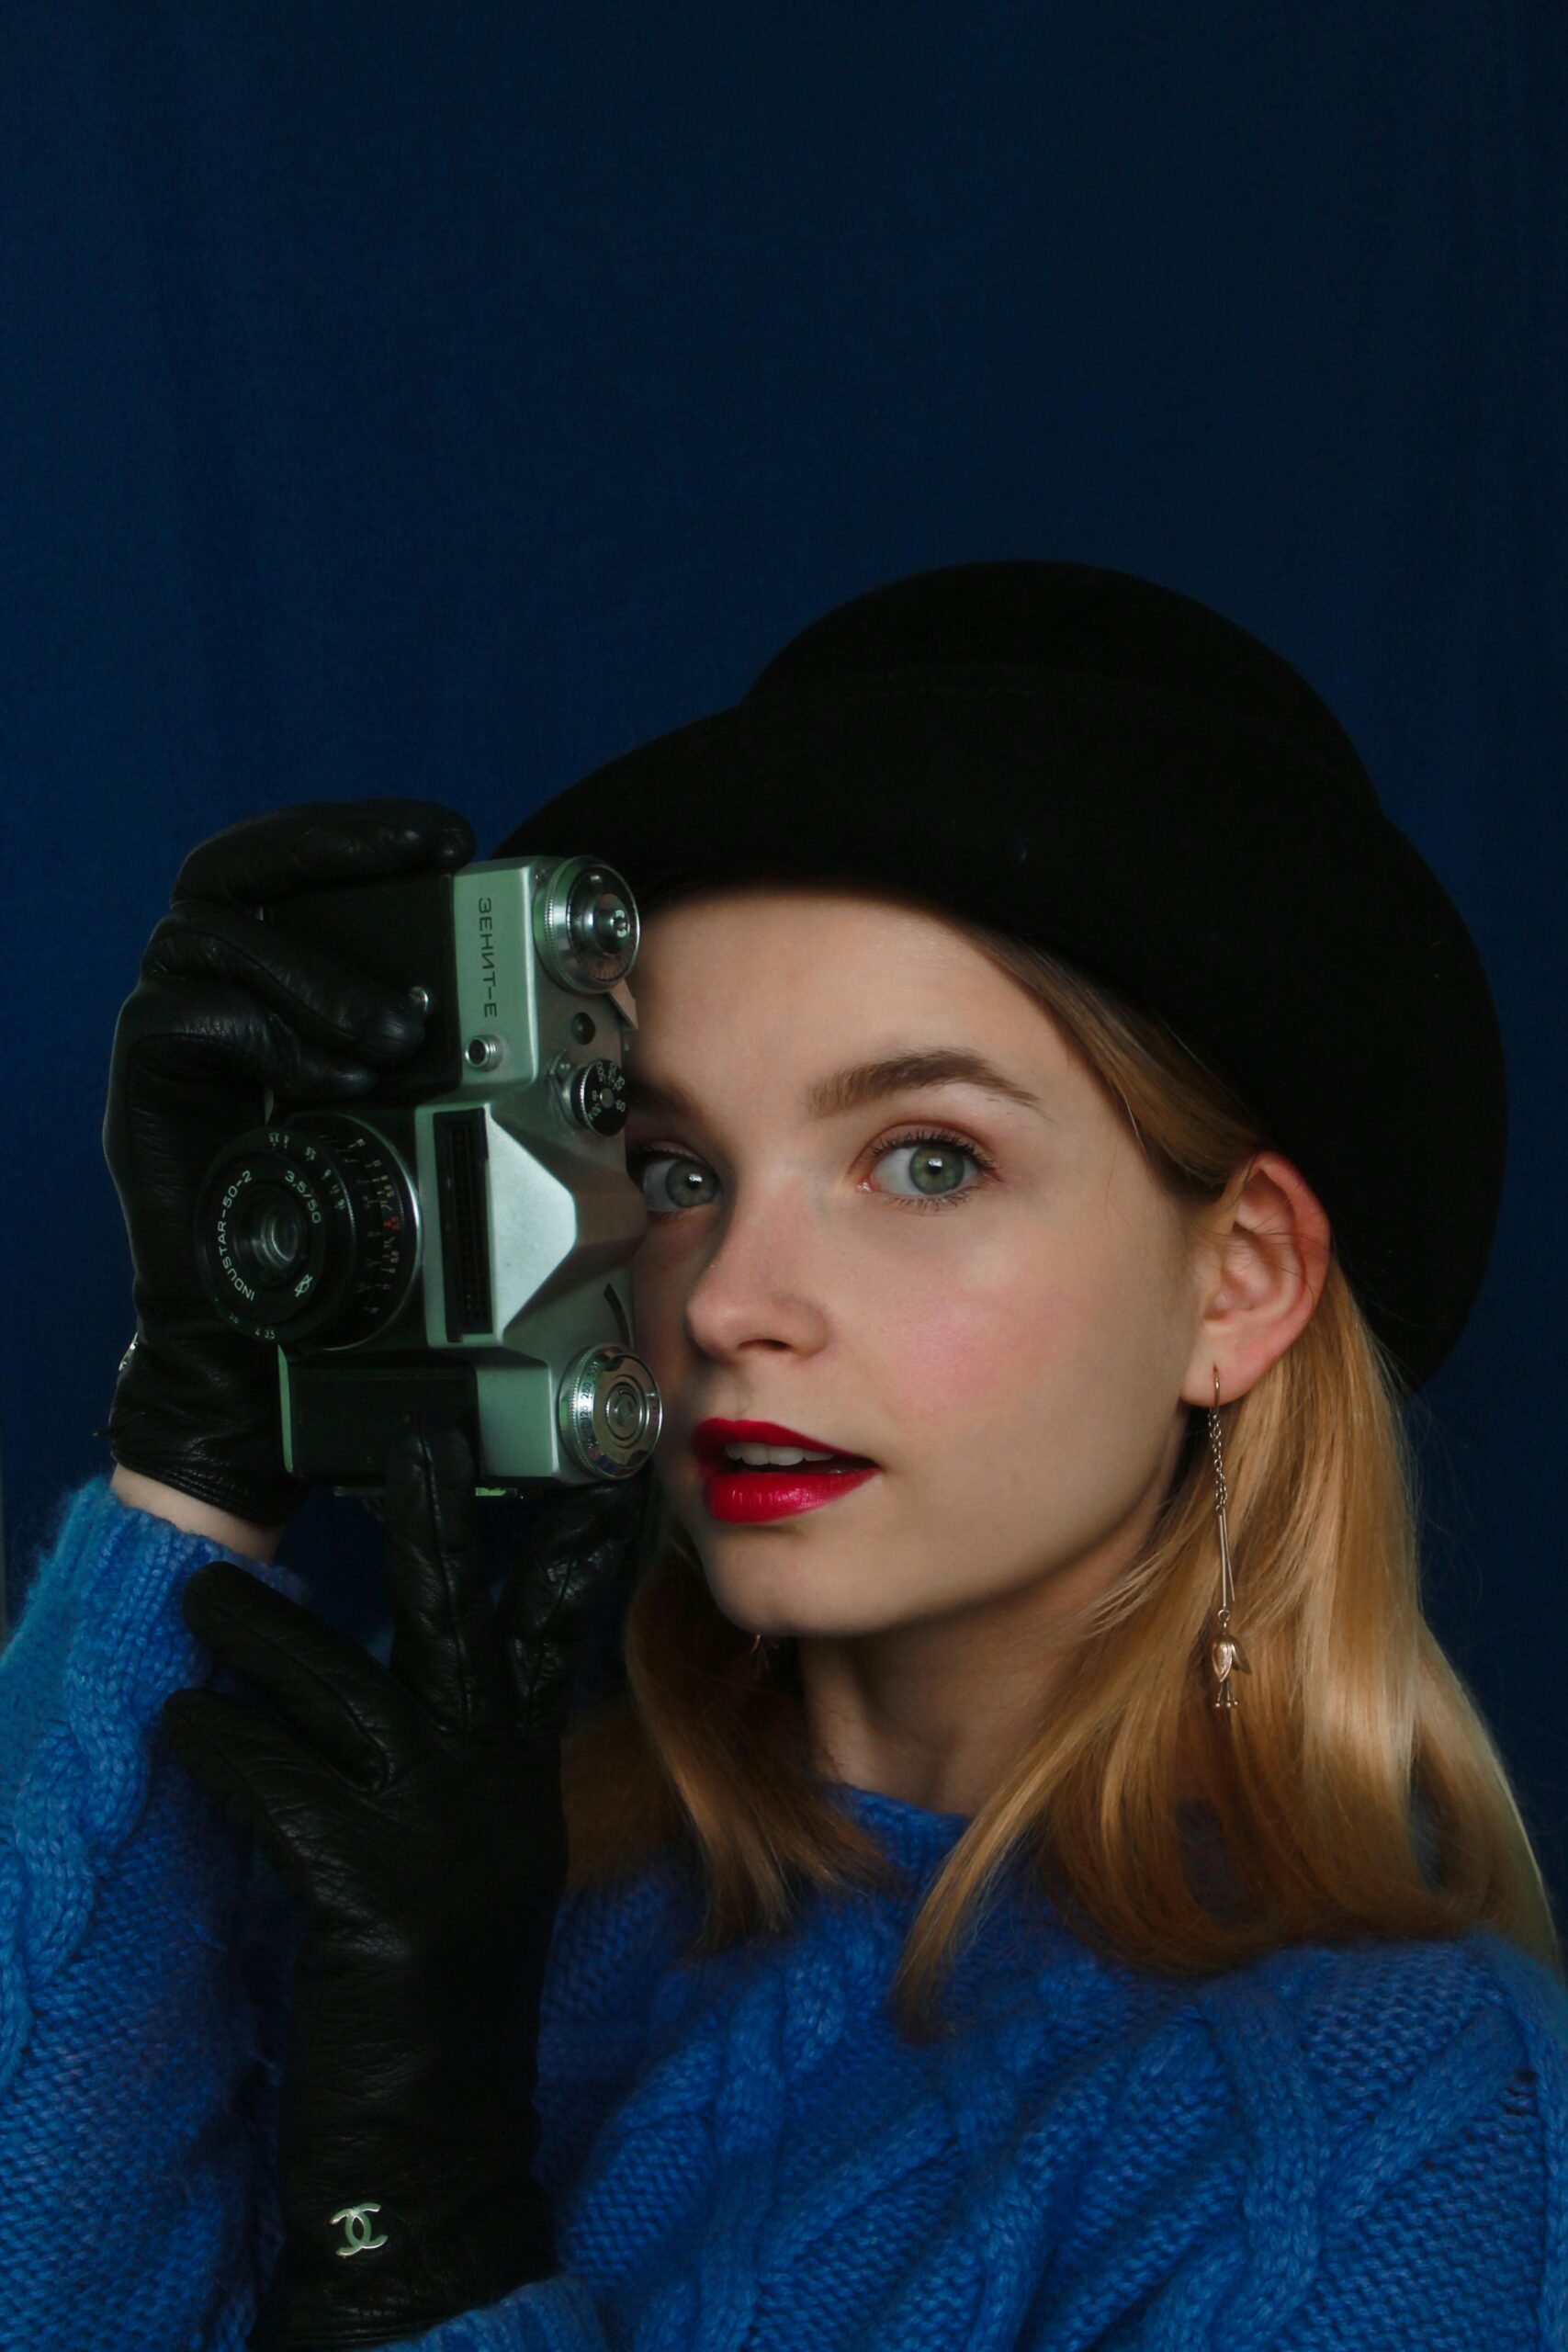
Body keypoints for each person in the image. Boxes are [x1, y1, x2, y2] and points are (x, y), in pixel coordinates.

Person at [1, 560, 1564, 2351]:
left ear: (1239, 1278)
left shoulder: (1390, 2131)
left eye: (923, 1159)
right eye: (672, 1168)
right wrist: (195, 1445)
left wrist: (422, 2239)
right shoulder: (457, 1893)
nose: (732, 1297)